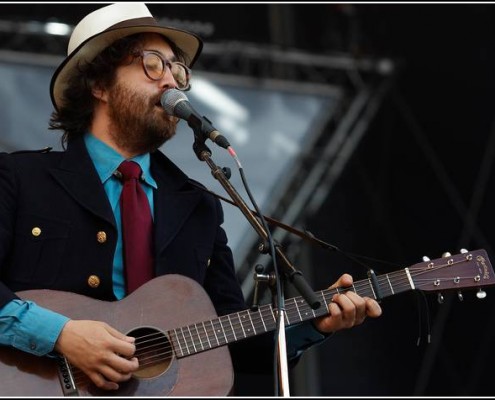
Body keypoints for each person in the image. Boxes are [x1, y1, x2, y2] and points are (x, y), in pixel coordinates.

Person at [0, 2, 382, 395]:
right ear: (98, 84)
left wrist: (314, 325)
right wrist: (61, 335)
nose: (170, 81)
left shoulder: (198, 207)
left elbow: (232, 341)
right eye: (152, 64)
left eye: (176, 69)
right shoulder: (20, 178)